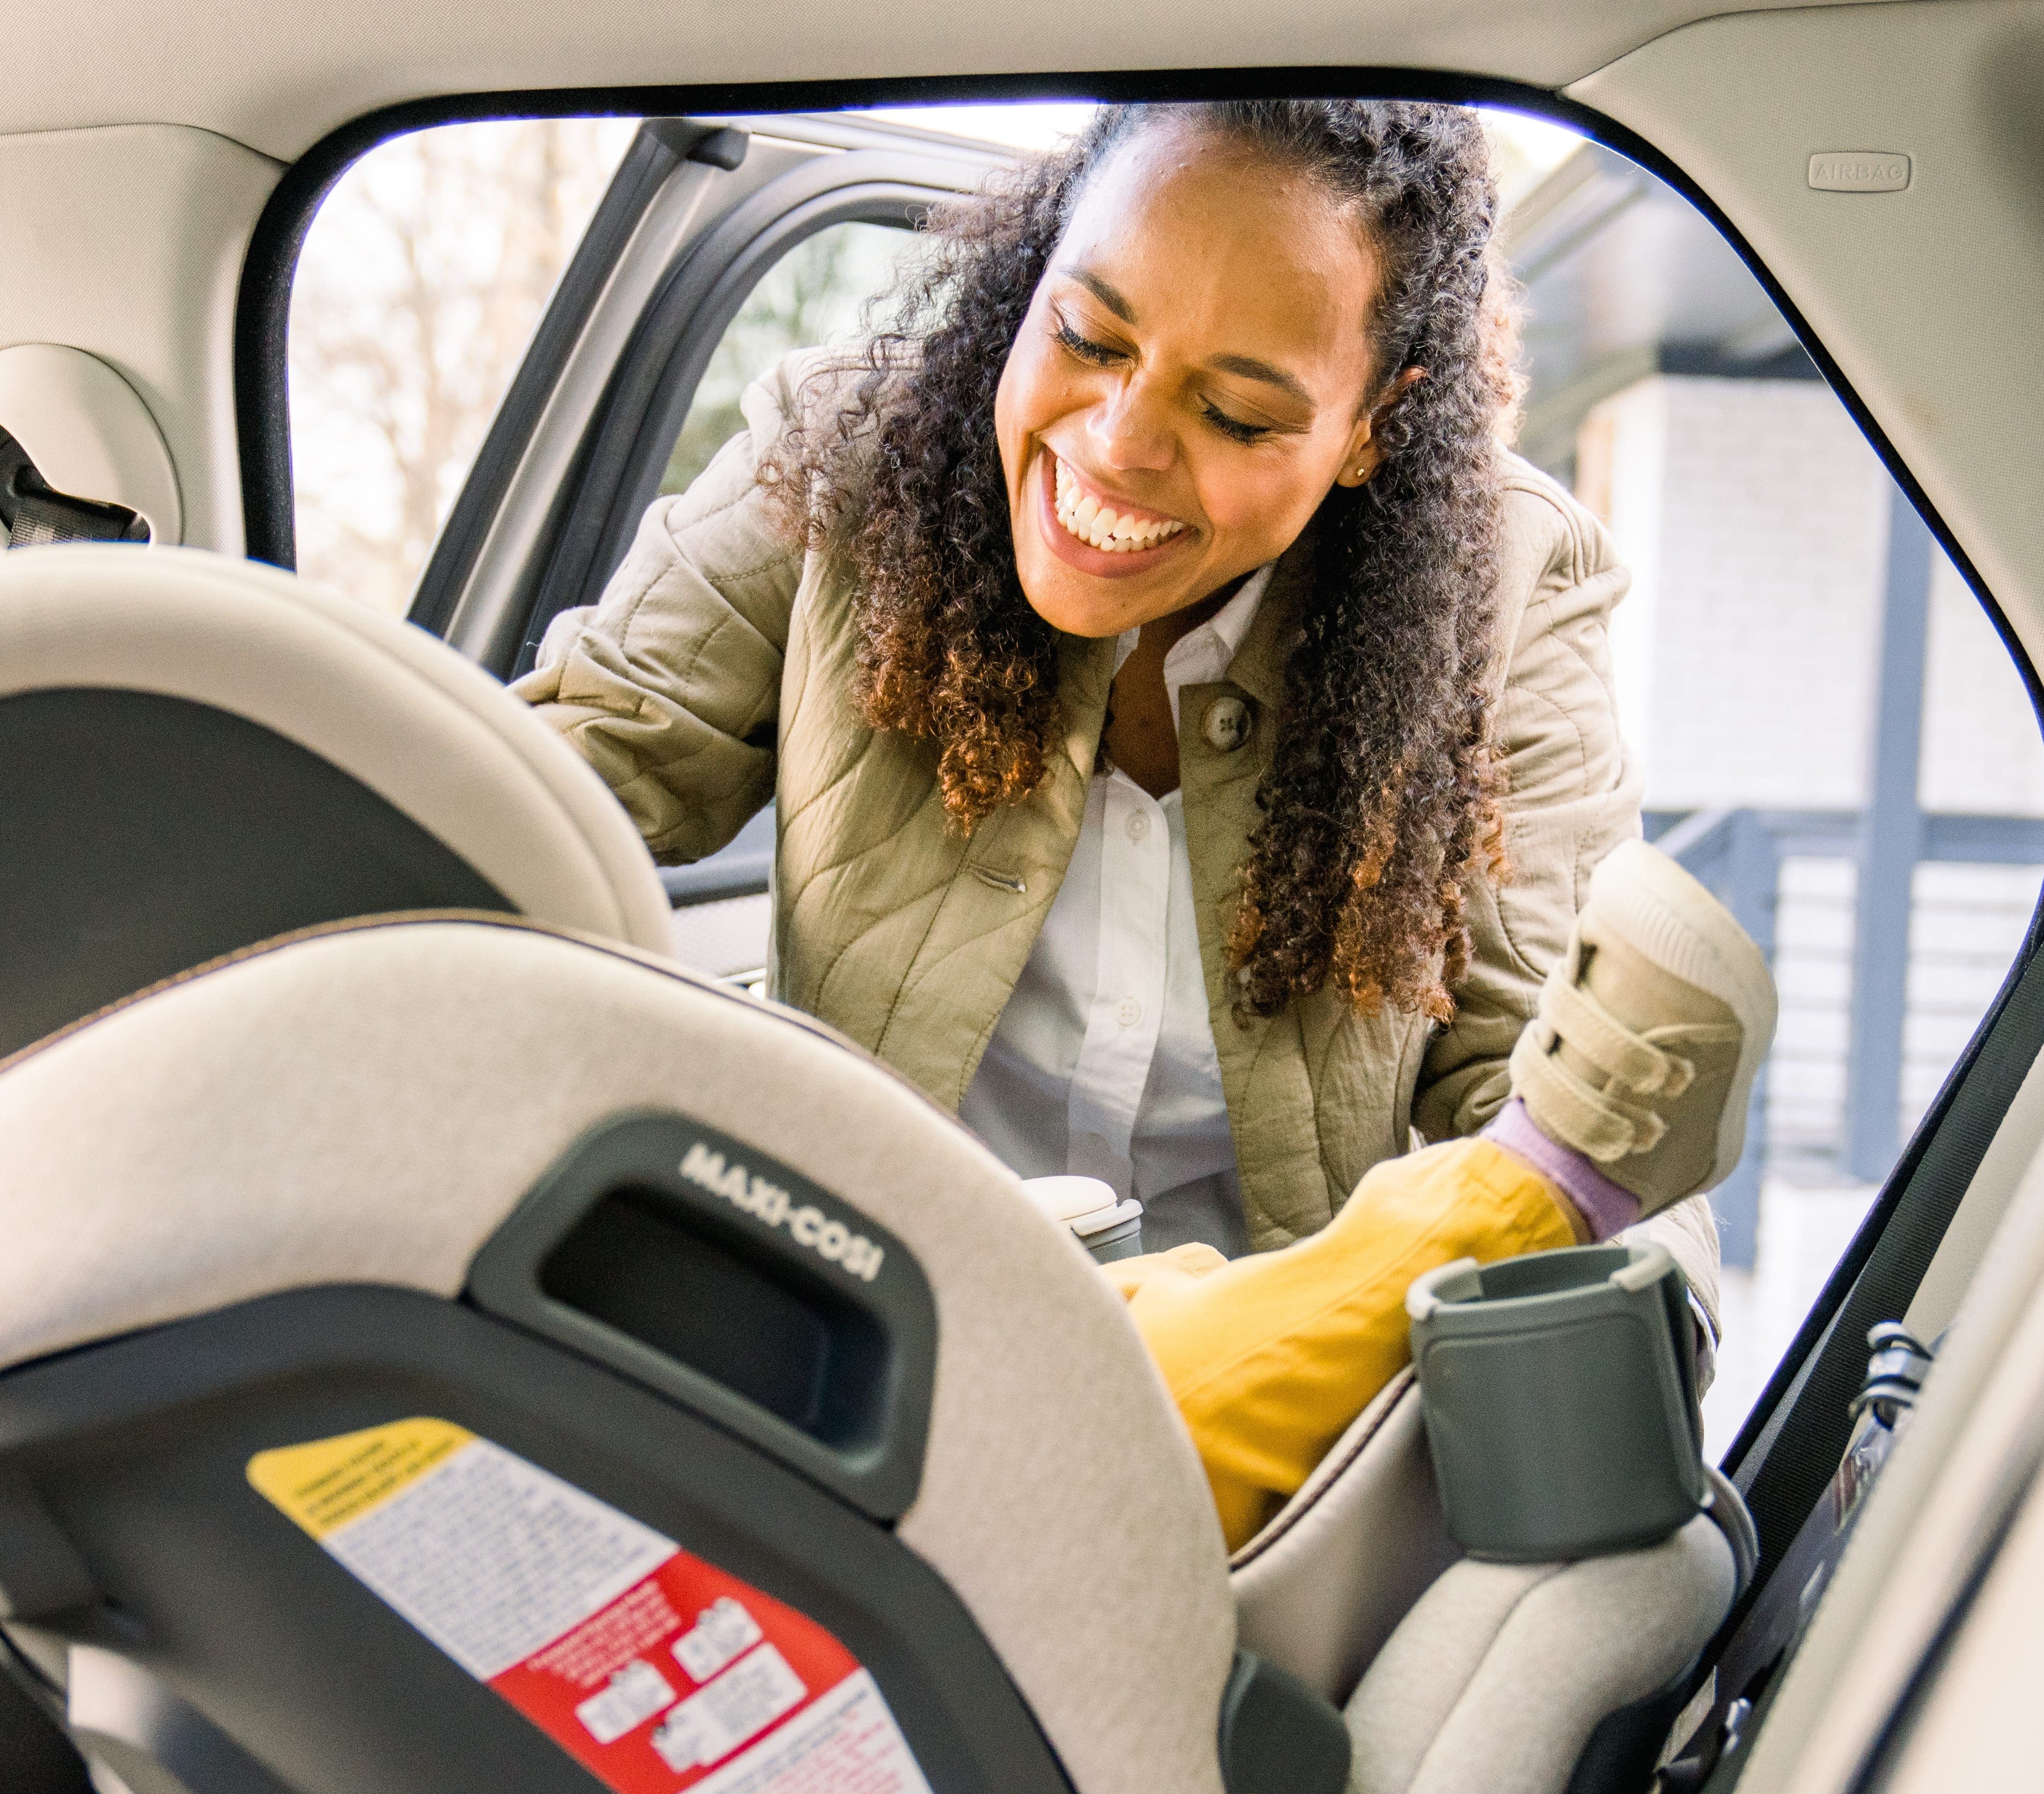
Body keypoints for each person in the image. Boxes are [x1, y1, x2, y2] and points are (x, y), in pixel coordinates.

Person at [517, 101, 1718, 1305]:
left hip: (1250, 1407)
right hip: (843, 1324)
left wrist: (1606, 1324)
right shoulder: (847, 453)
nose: (1118, 443)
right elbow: (549, 788)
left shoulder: (1503, 587)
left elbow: (1543, 1102)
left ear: (1372, 427)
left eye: (1237, 415)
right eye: (1089, 338)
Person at [1116, 836, 1772, 1548]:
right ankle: (1558, 1182)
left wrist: (1630, 1327)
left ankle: (1546, 1197)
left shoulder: (1500, 726)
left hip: (1152, 1284)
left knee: (1144, 1318)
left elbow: (1506, 1020)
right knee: (1133, 1414)